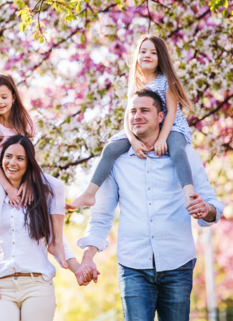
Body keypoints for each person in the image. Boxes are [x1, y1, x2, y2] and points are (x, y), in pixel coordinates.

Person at [74, 89, 225, 321]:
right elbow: (102, 215)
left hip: (177, 262)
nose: (137, 116)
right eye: (133, 111)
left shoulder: (184, 154)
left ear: (161, 116)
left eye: (145, 110)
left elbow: (212, 203)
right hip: (133, 265)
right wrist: (88, 256)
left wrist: (207, 209)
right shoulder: (117, 161)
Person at [67, 35, 196, 210]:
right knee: (110, 149)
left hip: (170, 126)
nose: (147, 55)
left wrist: (162, 138)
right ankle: (88, 195)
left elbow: (172, 111)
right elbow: (129, 115)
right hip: (143, 126)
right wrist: (134, 141)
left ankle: (189, 195)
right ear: (137, 56)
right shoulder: (135, 83)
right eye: (143, 51)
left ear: (161, 58)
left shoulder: (166, 80)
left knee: (177, 151)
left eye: (153, 52)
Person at [0, 135, 93, 321]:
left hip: (37, 285)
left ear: (29, 163)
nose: (12, 162)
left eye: (20, 158)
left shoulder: (41, 196)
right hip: (2, 286)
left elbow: (57, 240)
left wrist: (77, 268)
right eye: (8, 156)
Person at [0, 74, 68, 269]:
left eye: (3, 97)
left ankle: (57, 242)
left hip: (24, 173)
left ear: (13, 97)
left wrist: (28, 181)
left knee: (58, 186)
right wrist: (8, 188)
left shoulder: (24, 123)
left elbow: (28, 156)